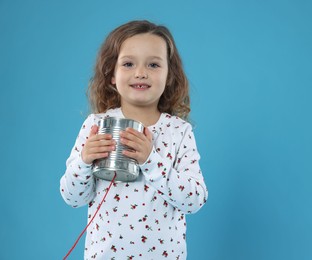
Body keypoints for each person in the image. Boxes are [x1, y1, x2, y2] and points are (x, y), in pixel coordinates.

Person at [60, 20, 208, 260]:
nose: (141, 72)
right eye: (128, 64)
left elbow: (194, 200)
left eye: (153, 64)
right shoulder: (95, 126)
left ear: (169, 75)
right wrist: (85, 161)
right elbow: (72, 197)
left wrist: (151, 160)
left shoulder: (178, 132)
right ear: (111, 75)